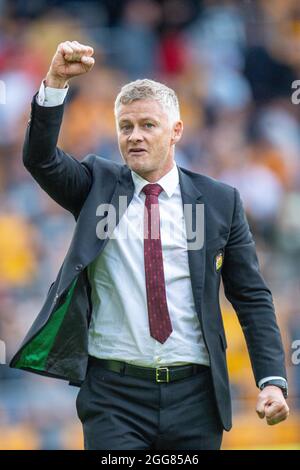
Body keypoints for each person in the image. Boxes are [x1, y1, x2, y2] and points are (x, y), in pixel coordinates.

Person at [10, 41, 289, 450]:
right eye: (126, 126)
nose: (134, 137)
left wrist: (272, 381)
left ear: (176, 131)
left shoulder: (219, 201)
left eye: (147, 125)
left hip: (196, 397)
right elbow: (41, 159)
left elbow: (251, 296)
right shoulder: (96, 185)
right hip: (113, 397)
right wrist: (54, 84)